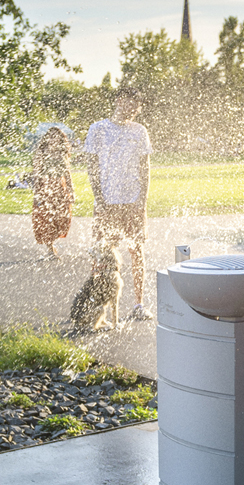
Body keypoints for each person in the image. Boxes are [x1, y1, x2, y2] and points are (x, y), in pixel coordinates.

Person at [84, 86, 153, 321]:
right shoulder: (98, 129)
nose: (134, 109)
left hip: (133, 202)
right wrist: (100, 200)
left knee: (137, 251)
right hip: (107, 203)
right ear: (119, 101)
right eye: (131, 103)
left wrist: (142, 200)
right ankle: (96, 304)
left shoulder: (140, 131)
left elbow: (145, 169)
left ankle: (138, 304)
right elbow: (92, 168)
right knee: (102, 254)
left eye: (138, 105)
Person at [29, 123, 74, 259]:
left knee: (62, 217)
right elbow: (36, 174)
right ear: (47, 139)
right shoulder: (41, 153)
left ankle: (52, 243)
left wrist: (71, 191)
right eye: (51, 137)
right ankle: (50, 248)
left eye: (57, 137)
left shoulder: (63, 153)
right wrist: (37, 193)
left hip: (60, 188)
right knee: (46, 219)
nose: (54, 139)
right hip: (45, 188)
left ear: (61, 139)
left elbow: (67, 173)